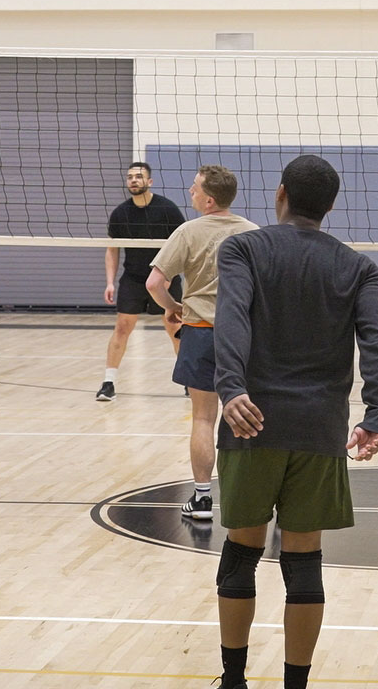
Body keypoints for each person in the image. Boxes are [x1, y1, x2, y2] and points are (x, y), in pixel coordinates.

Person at [210, 154, 378, 689]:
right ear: (331, 206)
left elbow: (232, 318)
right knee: (304, 560)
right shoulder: (358, 266)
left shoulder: (243, 247)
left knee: (241, 553)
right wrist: (377, 414)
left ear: (280, 194)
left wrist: (231, 388)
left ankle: (233, 681)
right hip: (319, 430)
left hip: (251, 422)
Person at [147, 165, 259, 520]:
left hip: (199, 330)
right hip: (242, 334)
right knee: (248, 417)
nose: (190, 192)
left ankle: (202, 498)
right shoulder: (253, 233)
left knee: (203, 419)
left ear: (209, 200)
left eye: (195, 189)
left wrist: (174, 308)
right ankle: (251, 496)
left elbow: (153, 284)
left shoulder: (188, 232)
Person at [97, 161, 185, 401]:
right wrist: (110, 282)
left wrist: (169, 274)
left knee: (175, 328)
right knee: (122, 327)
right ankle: (108, 383)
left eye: (138, 176)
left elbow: (181, 245)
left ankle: (189, 381)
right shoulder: (121, 213)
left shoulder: (167, 209)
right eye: (130, 177)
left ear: (150, 181)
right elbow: (112, 249)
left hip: (165, 277)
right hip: (134, 279)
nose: (133, 180)